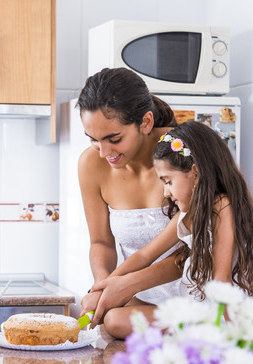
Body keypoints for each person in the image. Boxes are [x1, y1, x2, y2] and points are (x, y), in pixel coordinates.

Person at [91, 120, 253, 338]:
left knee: (114, 320)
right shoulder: (188, 214)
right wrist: (102, 289)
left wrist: (239, 336)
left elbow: (221, 281)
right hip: (192, 308)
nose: (166, 192)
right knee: (113, 306)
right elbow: (145, 255)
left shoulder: (223, 206)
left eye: (168, 181)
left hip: (214, 314)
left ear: (195, 173)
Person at [77, 67, 183, 327]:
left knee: (115, 322)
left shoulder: (184, 155)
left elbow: (197, 250)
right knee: (113, 321)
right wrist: (102, 284)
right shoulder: (91, 164)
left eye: (114, 138)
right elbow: (101, 242)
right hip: (139, 302)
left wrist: (123, 283)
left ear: (145, 122)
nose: (103, 152)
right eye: (93, 139)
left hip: (197, 300)